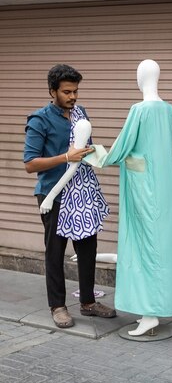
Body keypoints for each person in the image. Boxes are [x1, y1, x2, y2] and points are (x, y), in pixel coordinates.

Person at [24, 64, 116, 329]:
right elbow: (30, 163)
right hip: (53, 195)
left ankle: (88, 302)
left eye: (75, 91)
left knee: (88, 249)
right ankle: (58, 306)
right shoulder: (39, 120)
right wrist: (66, 157)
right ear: (52, 91)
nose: (73, 96)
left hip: (83, 193)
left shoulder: (80, 113)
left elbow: (84, 149)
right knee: (55, 252)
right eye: (66, 92)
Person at [96, 59, 172, 336]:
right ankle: (153, 307)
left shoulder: (140, 110)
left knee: (144, 247)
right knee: (160, 246)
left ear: (141, 77)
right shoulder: (168, 110)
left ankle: (149, 311)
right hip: (164, 187)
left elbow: (123, 145)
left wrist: (99, 157)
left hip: (143, 188)